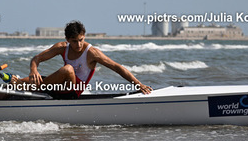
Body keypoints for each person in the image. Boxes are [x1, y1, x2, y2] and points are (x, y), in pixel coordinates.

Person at [14, 21, 152, 98]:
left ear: (84, 36)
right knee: (11, 85)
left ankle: (34, 87)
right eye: (74, 41)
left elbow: (116, 67)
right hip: (56, 87)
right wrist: (33, 70)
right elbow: (36, 58)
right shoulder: (62, 47)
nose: (79, 44)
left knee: (68, 69)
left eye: (81, 40)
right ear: (67, 40)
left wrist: (138, 84)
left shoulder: (92, 53)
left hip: (72, 93)